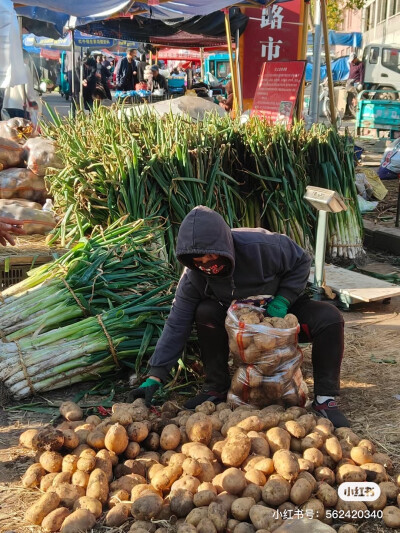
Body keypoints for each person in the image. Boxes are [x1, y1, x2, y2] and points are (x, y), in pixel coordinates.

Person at [130, 206, 349, 428]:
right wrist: (155, 376)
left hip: (279, 311)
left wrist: (284, 299)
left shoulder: (262, 246)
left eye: (212, 255)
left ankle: (325, 399)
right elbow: (177, 322)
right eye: (199, 260)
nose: (208, 264)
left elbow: (302, 261)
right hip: (238, 326)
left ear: (224, 246)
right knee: (205, 311)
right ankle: (215, 387)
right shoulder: (193, 276)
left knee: (329, 317)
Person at [345, 53, 364, 117]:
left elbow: (362, 74)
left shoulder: (360, 64)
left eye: (353, 60)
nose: (352, 61)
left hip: (356, 82)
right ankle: (349, 111)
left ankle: (356, 113)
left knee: (355, 97)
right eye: (351, 60)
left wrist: (361, 83)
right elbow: (350, 72)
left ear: (356, 58)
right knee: (348, 96)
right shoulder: (351, 64)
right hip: (350, 81)